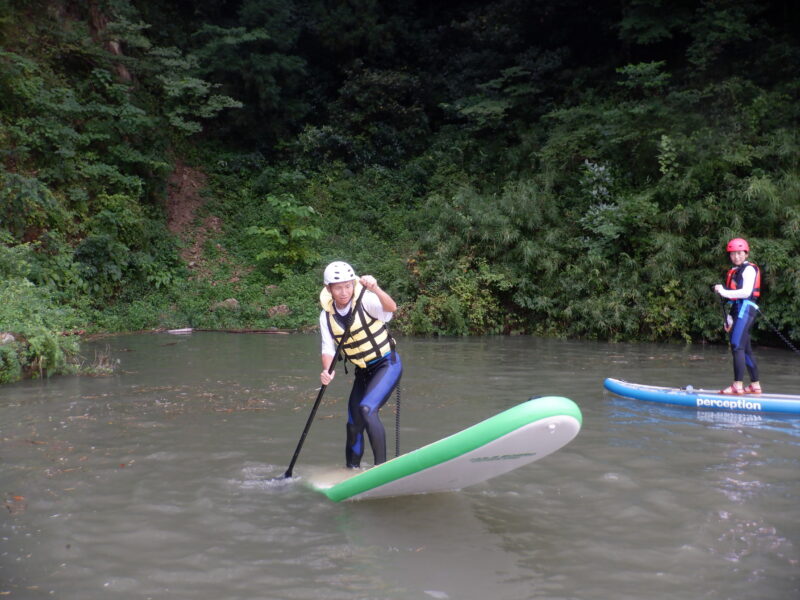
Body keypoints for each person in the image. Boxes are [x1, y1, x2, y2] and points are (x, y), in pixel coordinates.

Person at [319, 261, 402, 468]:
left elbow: (392, 308)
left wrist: (375, 288)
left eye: (348, 286)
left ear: (353, 285)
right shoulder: (326, 316)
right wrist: (327, 371)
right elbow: (328, 348)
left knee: (367, 409)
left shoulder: (366, 300)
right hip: (363, 372)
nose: (344, 292)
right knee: (353, 423)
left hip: (387, 364)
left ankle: (381, 469)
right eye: (338, 287)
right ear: (329, 289)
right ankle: (351, 472)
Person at [713, 238, 762, 394]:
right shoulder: (734, 271)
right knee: (745, 349)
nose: (736, 257)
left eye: (739, 253)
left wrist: (723, 291)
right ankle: (755, 385)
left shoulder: (749, 269)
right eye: (733, 254)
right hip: (737, 311)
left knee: (736, 345)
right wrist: (729, 318)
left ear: (746, 254)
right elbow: (733, 300)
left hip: (746, 309)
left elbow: (746, 292)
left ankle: (737, 385)